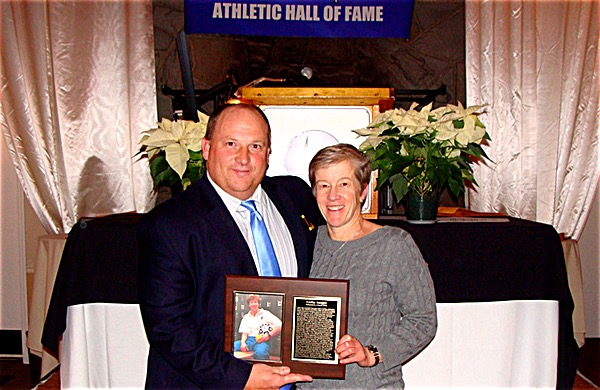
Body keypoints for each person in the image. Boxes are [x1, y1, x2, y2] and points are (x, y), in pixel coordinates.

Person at [137, 103, 323, 389]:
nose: (243, 158)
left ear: (269, 154)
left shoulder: (295, 196)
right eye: (231, 144)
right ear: (207, 148)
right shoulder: (170, 225)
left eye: (256, 146)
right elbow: (169, 328)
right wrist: (243, 377)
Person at [303, 143, 437, 389]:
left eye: (344, 184)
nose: (333, 195)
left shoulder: (394, 245)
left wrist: (371, 354)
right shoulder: (305, 242)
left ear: (363, 190)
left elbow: (423, 320)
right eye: (324, 185)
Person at [234, 294, 282, 360]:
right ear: (249, 305)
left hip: (262, 340)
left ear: (259, 304)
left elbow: (280, 325)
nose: (253, 304)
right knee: (233, 346)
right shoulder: (246, 317)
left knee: (260, 353)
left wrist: (268, 335)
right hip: (249, 340)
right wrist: (243, 343)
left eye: (255, 302)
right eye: (251, 302)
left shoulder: (266, 314)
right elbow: (244, 333)